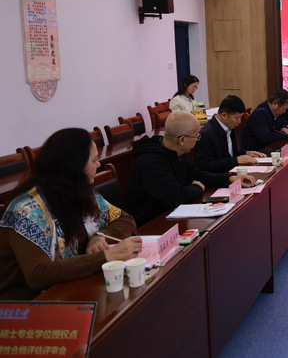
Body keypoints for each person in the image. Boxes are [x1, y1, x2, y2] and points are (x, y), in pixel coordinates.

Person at [0, 128, 141, 300]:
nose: (98, 165)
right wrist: (106, 256)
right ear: (75, 167)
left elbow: (125, 219)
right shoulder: (26, 211)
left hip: (70, 286)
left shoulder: (78, 193)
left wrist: (99, 237)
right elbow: (38, 274)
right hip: (25, 304)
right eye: (94, 160)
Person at [124, 112, 255, 226]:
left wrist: (230, 179)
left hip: (169, 215)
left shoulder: (175, 151)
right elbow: (176, 196)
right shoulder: (152, 162)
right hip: (148, 224)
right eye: (196, 136)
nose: (197, 140)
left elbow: (197, 174)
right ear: (182, 140)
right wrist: (197, 188)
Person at [194, 95, 266, 173]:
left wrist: (246, 153)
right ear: (224, 115)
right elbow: (206, 166)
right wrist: (236, 160)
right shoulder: (206, 134)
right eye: (237, 118)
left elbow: (230, 155)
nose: (239, 122)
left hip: (231, 173)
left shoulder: (229, 127)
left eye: (240, 118)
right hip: (219, 177)